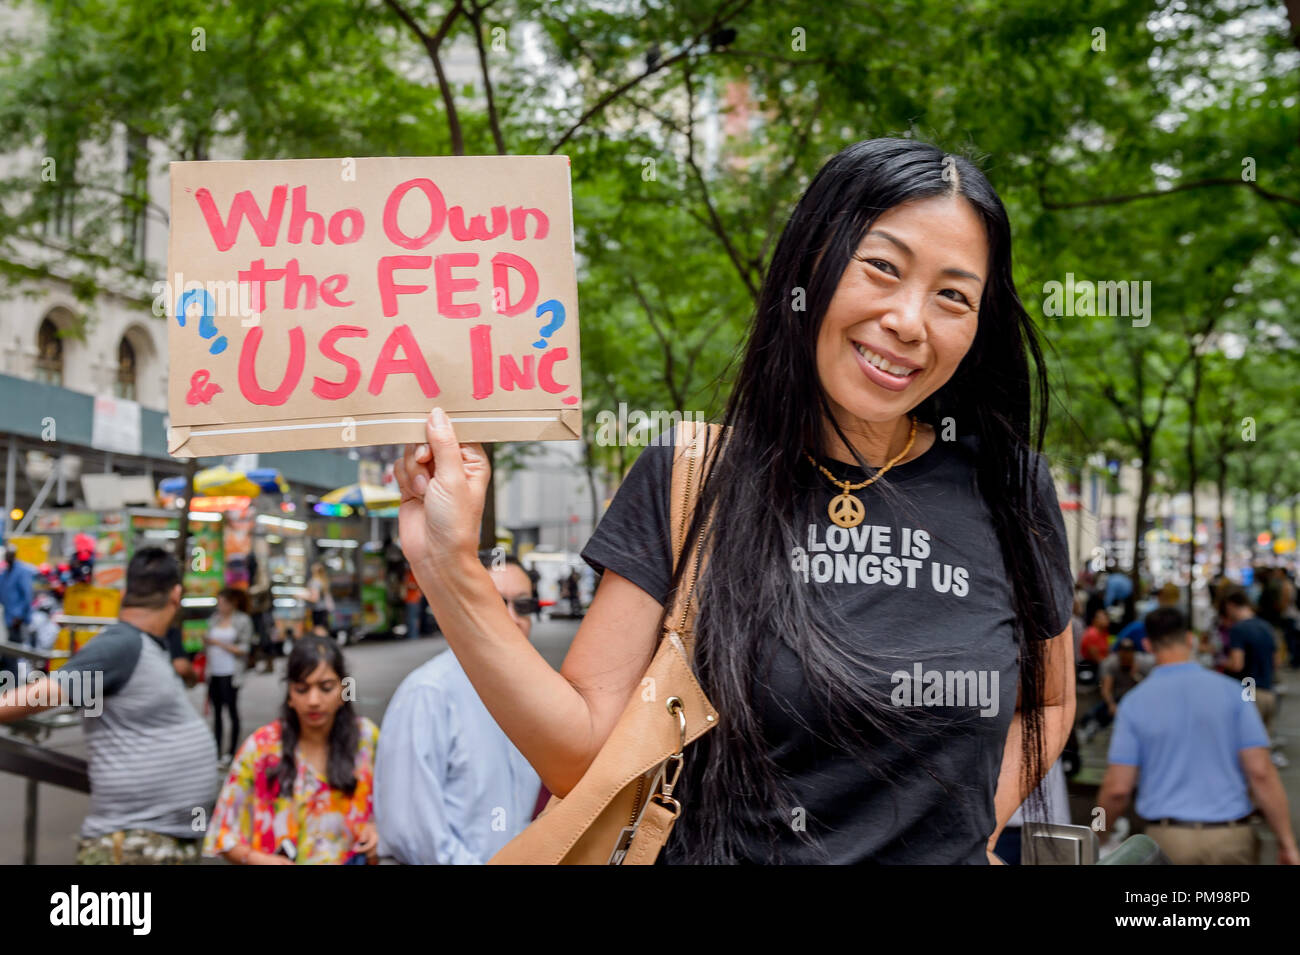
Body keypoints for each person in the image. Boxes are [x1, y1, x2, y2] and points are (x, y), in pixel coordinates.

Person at [394, 139, 1076, 864]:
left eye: (953, 296)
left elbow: (1049, 700)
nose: (910, 320)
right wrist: (448, 564)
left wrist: (969, 829)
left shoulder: (1009, 489)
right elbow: (583, 757)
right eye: (882, 266)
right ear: (812, 261)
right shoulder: (689, 477)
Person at [0, 547, 218, 864]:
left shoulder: (141, 647)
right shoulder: (121, 644)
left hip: (153, 842)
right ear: (176, 595)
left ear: (126, 592)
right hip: (131, 845)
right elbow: (44, 693)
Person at [375, 552, 543, 864]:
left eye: (523, 604)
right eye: (496, 602)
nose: (512, 617)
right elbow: (413, 833)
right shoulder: (429, 694)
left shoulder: (540, 694)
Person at [1097, 607, 1298, 865]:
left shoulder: (1134, 703)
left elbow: (1117, 788)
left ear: (1147, 645)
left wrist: (1099, 833)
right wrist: (1286, 842)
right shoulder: (1234, 693)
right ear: (1190, 639)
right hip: (1232, 838)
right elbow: (1261, 772)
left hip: (1168, 840)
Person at [203, 635, 380, 865]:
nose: (314, 700)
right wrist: (257, 859)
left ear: (343, 690)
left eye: (326, 688)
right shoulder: (261, 748)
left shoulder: (367, 739)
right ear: (289, 695)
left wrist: (377, 832)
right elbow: (222, 835)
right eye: (302, 689)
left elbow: (403, 814)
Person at [1220, 589, 1281, 741]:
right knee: (1263, 742)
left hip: (1249, 690)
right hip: (1269, 691)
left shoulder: (1238, 629)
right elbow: (1277, 661)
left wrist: (1221, 662)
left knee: (1247, 742)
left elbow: (1237, 664)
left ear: (1231, 606)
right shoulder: (1266, 626)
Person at [205, 587, 254, 767]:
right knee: (216, 712)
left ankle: (232, 751)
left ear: (232, 603)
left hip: (232, 672)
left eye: (223, 602)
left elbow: (245, 648)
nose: (220, 606)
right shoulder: (213, 620)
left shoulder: (242, 620)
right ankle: (217, 750)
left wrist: (218, 643)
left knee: (231, 711)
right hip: (214, 672)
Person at [1079, 636, 1152, 742]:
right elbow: (1106, 689)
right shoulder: (1111, 663)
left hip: (1138, 699)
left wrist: (1136, 675)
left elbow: (1150, 688)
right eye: (1123, 654)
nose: (1126, 657)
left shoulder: (1143, 663)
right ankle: (1090, 727)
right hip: (1118, 697)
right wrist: (1111, 704)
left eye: (1129, 653)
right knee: (1099, 712)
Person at [0, 543, 35, 677]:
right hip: (7, 619)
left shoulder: (21, 572)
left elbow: (27, 596)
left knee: (17, 653)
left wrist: (20, 616)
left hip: (17, 621)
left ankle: (17, 683)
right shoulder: (5, 573)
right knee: (8, 654)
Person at [305, 562, 333, 637]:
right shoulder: (323, 581)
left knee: (318, 630)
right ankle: (325, 646)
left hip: (317, 609)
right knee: (323, 630)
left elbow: (314, 598)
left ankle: (321, 647)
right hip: (324, 609)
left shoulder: (315, 582)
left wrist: (301, 596)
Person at [402, 566, 423, 639]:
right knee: (410, 618)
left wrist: (408, 585)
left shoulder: (413, 574)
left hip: (414, 599)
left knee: (412, 618)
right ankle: (411, 634)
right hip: (409, 599)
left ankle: (413, 635)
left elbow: (416, 585)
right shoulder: (408, 574)